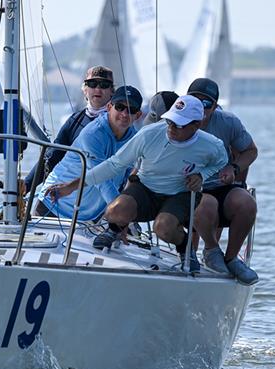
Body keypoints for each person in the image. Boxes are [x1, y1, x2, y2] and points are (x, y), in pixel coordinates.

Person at [47, 95, 228, 273]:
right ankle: (114, 229)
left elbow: (221, 161)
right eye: (170, 121)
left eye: (179, 124)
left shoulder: (212, 145)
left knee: (163, 228)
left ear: (197, 125)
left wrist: (202, 175)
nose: (171, 128)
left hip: (179, 193)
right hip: (146, 188)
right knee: (114, 211)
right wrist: (70, 187)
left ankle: (184, 249)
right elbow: (113, 165)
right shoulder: (148, 134)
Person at [186, 78, 259, 285]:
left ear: (216, 107)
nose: (200, 107)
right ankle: (207, 250)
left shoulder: (228, 123)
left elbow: (250, 151)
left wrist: (234, 168)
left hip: (220, 185)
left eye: (206, 103)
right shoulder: (175, 120)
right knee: (206, 204)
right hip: (187, 188)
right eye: (194, 100)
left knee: (246, 203)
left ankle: (230, 258)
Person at [35, 86, 144, 220]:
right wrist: (121, 217)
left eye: (131, 110)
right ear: (109, 107)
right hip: (54, 206)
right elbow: (101, 178)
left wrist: (129, 218)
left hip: (91, 217)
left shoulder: (136, 139)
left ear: (138, 115)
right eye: (120, 107)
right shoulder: (92, 134)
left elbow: (130, 179)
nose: (125, 114)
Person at [23, 65, 115, 192]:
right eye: (92, 84)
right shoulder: (75, 120)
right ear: (85, 90)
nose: (98, 89)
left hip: (101, 195)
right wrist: (26, 185)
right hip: (72, 195)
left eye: (104, 85)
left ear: (112, 91)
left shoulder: (117, 122)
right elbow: (52, 157)